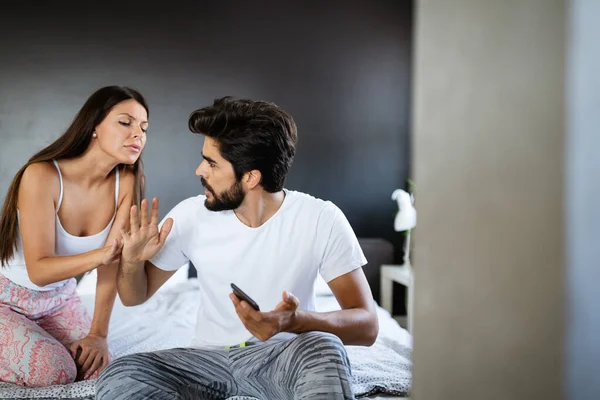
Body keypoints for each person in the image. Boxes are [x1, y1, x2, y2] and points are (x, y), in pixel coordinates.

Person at [96, 97, 379, 400]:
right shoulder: (191, 215)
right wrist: (130, 261)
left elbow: (367, 325)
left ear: (250, 177)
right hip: (206, 362)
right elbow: (133, 296)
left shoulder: (320, 218)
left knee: (325, 348)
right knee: (122, 372)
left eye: (212, 163)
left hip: (283, 357)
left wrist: (296, 322)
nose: (199, 170)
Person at [0, 86, 149, 387]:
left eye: (144, 128)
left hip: (60, 299)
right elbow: (40, 271)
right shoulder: (42, 176)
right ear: (94, 126)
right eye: (125, 122)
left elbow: (111, 264)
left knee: (100, 371)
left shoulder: (128, 181)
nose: (138, 134)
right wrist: (103, 254)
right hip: (7, 298)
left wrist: (99, 335)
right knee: (57, 371)